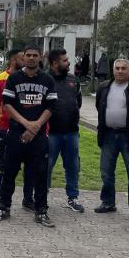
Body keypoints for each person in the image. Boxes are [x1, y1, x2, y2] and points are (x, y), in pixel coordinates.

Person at [0, 44, 57, 227]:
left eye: (34, 55)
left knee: (40, 174)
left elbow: (51, 107)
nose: (31, 58)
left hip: (38, 136)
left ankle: (41, 210)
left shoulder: (47, 80)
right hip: (15, 133)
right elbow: (6, 104)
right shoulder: (14, 78)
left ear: (40, 57)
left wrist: (35, 126)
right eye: (27, 55)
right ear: (23, 57)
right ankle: (3, 207)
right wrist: (26, 124)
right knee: (9, 172)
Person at [95, 58, 129, 217]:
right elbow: (98, 106)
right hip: (108, 135)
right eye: (117, 68)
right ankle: (108, 202)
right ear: (113, 70)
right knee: (106, 172)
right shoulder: (104, 87)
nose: (120, 71)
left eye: (123, 68)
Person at [46, 48, 84, 213]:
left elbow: (79, 102)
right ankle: (41, 195)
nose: (68, 63)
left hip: (71, 132)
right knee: (46, 165)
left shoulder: (73, 80)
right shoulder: (44, 79)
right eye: (65, 60)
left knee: (73, 166)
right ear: (55, 63)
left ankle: (72, 197)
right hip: (50, 133)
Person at [0, 49, 23, 212]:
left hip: (28, 130)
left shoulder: (31, 78)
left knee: (31, 166)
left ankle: (29, 199)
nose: (28, 60)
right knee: (4, 165)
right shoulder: (0, 80)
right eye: (24, 57)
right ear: (14, 60)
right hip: (6, 129)